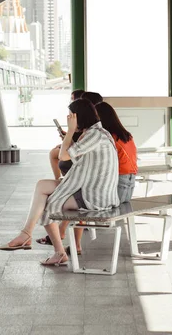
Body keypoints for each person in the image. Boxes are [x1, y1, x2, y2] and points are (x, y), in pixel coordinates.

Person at [0, 98, 120, 267]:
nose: (69, 119)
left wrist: (69, 133)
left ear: (80, 116)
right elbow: (72, 153)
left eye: (71, 116)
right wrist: (69, 136)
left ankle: (54, 250)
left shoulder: (95, 135)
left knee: (46, 203)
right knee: (42, 186)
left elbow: (63, 156)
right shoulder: (96, 133)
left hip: (94, 197)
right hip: (87, 188)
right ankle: (27, 234)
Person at [52, 101, 138, 255]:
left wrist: (71, 139)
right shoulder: (123, 135)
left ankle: (64, 232)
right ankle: (69, 238)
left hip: (116, 188)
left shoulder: (103, 136)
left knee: (81, 194)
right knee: (81, 195)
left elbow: (78, 162)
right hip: (129, 185)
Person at [49, 89, 84, 180]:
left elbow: (63, 156)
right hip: (75, 146)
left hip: (77, 150)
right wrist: (67, 137)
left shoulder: (78, 117)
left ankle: (58, 180)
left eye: (72, 98)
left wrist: (68, 136)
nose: (71, 101)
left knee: (54, 154)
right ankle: (59, 180)